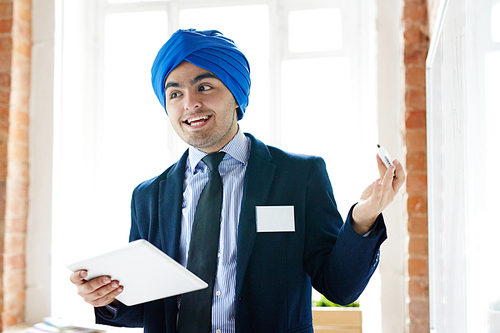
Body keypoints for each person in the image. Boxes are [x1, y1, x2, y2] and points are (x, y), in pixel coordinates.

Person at [70, 29, 405, 333]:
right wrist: (107, 297)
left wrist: (362, 220)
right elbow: (149, 308)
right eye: (175, 94)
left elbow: (340, 287)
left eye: (204, 86)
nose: (191, 103)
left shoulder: (299, 177)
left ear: (236, 94)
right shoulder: (148, 196)